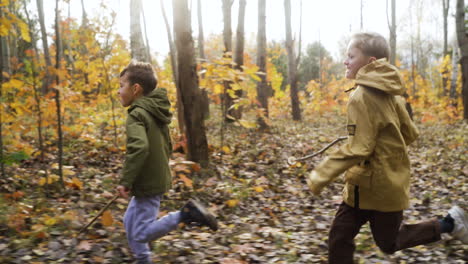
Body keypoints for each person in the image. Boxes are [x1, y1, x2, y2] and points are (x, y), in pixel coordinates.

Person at [306, 32, 467, 263]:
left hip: (376, 187)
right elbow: (411, 134)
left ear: (370, 63)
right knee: (341, 237)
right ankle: (450, 223)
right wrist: (378, 138)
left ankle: (449, 223)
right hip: (373, 186)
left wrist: (319, 176)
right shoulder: (393, 94)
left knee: (382, 242)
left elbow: (358, 149)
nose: (345, 61)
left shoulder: (360, 97)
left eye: (351, 56)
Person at [116, 61, 218, 264]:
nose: (118, 91)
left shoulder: (136, 114)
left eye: (121, 86)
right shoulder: (155, 111)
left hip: (148, 183)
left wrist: (126, 180)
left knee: (140, 234)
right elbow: (166, 144)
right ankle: (143, 259)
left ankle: (185, 215)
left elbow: (140, 148)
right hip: (153, 177)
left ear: (135, 89)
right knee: (129, 221)